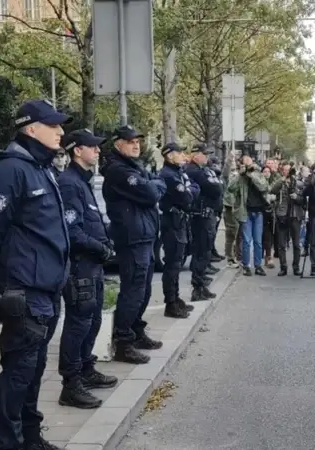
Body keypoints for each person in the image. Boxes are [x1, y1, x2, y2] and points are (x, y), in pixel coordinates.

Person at [0, 99, 71, 450]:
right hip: (24, 290)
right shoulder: (10, 170)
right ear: (30, 129)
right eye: (53, 125)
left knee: (34, 369)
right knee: (19, 370)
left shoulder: (40, 168)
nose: (60, 131)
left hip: (46, 289)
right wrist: (0, 278)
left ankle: (29, 437)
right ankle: (7, 442)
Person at [56, 129, 118, 410]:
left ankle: (85, 369)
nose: (98, 151)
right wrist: (101, 248)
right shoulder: (69, 183)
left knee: (92, 320)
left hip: (92, 265)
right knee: (79, 323)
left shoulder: (83, 182)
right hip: (81, 265)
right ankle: (71, 384)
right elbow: (72, 230)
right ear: (76, 150)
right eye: (92, 147)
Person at [101, 125, 167, 364]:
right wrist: (154, 187)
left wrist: (154, 186)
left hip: (144, 236)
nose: (136, 144)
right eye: (130, 141)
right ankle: (124, 342)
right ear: (118, 144)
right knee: (133, 291)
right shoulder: (119, 170)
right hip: (132, 238)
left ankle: (137, 331)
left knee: (144, 289)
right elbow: (151, 193)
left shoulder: (133, 167)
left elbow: (155, 186)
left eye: (138, 141)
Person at [159, 143, 199, 318]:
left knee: (177, 263)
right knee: (172, 264)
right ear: (169, 156)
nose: (183, 155)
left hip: (180, 222)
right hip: (171, 223)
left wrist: (190, 190)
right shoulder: (168, 175)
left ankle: (176, 298)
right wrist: (190, 190)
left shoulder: (178, 173)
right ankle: (170, 302)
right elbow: (186, 197)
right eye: (179, 152)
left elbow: (194, 189)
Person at [184, 144, 222, 302]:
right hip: (200, 216)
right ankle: (197, 288)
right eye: (204, 154)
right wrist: (215, 184)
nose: (207, 157)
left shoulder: (202, 170)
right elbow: (214, 188)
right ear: (195, 155)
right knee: (201, 251)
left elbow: (217, 186)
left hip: (207, 215)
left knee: (205, 250)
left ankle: (200, 286)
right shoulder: (194, 171)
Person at [228, 154, 271, 276]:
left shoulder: (258, 173)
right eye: (245, 162)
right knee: (246, 241)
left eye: (249, 161)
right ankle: (246, 265)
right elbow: (230, 188)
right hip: (246, 212)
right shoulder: (240, 177)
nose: (248, 164)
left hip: (258, 212)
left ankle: (258, 265)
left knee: (258, 241)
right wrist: (240, 175)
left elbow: (264, 187)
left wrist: (252, 174)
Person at [270, 162, 305, 276]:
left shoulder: (298, 183)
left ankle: (296, 267)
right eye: (284, 170)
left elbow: (304, 200)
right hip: (282, 215)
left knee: (296, 243)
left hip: (295, 215)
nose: (287, 172)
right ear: (282, 171)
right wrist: (282, 181)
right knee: (281, 244)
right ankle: (283, 267)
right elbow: (272, 190)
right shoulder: (280, 182)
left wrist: (297, 197)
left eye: (288, 170)